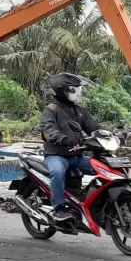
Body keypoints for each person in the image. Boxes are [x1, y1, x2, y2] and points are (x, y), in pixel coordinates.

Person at [40, 72, 100, 223]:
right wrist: (65, 140)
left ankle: (94, 203)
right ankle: (58, 209)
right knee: (57, 172)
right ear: (62, 91)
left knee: (103, 169)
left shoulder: (80, 111)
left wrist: (109, 135)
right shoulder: (51, 110)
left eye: (77, 89)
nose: (76, 93)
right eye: (73, 89)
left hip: (77, 157)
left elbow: (94, 128)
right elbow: (48, 131)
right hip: (57, 155)